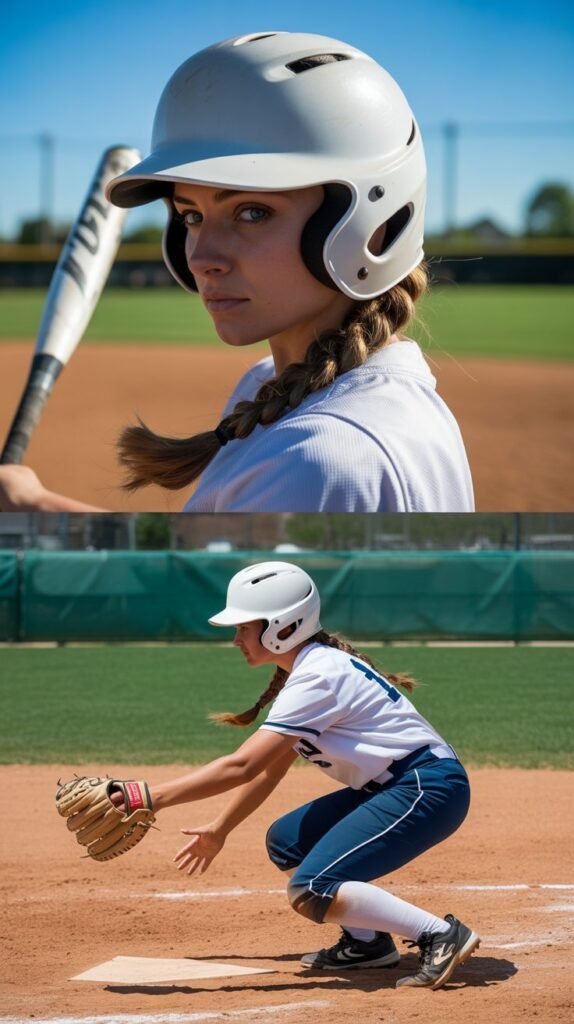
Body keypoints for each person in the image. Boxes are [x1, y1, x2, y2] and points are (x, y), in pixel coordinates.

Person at [0, 31, 474, 513]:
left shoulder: (327, 459)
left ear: (371, 224)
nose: (203, 257)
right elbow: (198, 573)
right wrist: (34, 505)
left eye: (252, 212)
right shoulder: (282, 388)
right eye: (191, 216)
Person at [114, 561, 480, 990]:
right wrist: (220, 829)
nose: (235, 639)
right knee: (286, 841)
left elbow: (242, 765)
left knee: (313, 888)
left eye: (244, 628)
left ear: (281, 628)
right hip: (403, 784)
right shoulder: (309, 671)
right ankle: (368, 945)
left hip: (426, 788)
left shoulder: (317, 676)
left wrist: (149, 797)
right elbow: (267, 772)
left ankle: (439, 934)